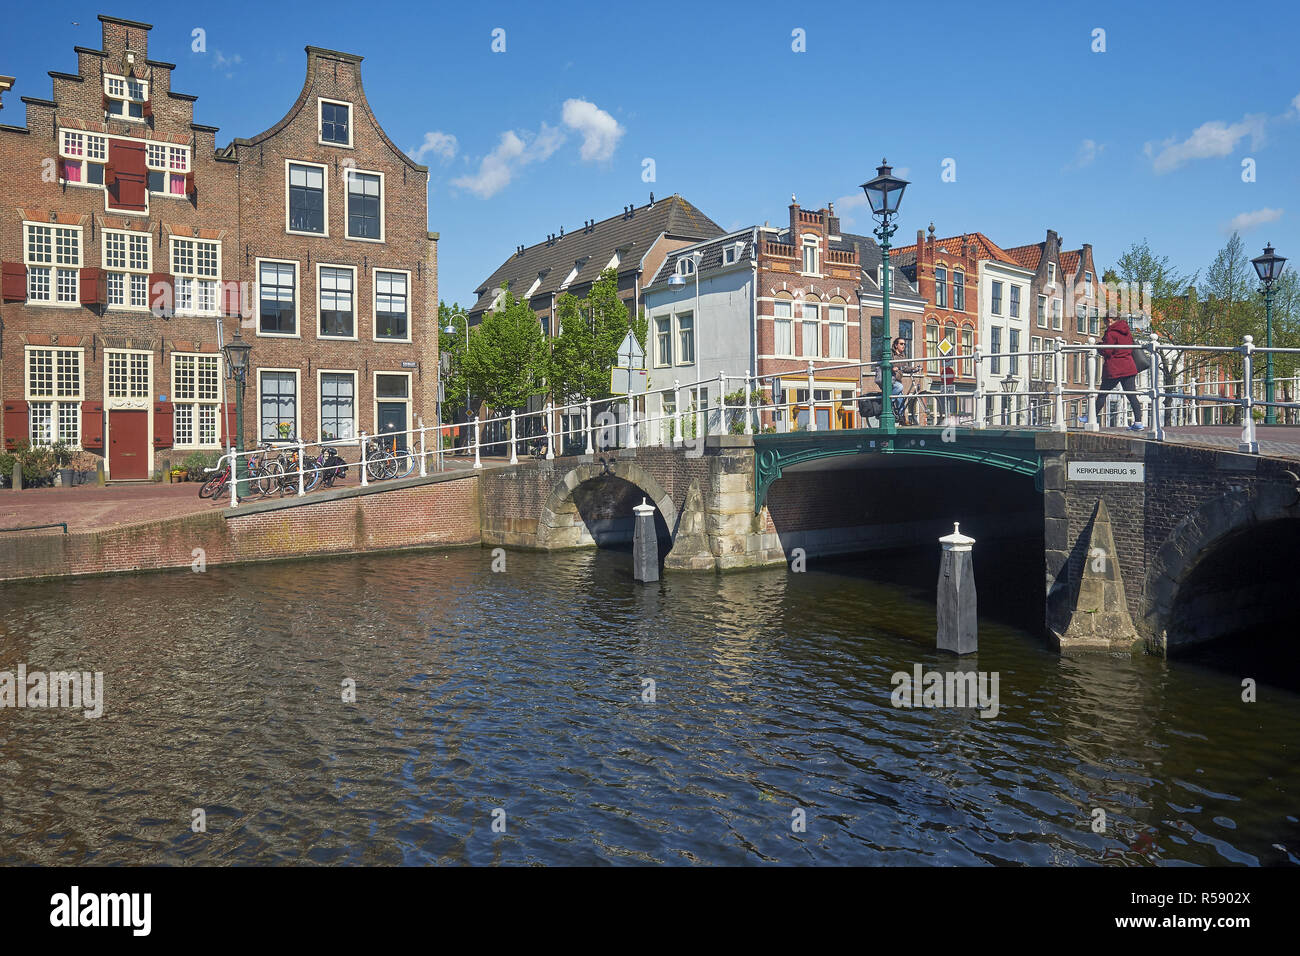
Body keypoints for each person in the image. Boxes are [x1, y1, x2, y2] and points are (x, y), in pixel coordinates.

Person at [1096, 314, 1144, 430]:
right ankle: (1138, 423)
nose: (1105, 324)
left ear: (1110, 320)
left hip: (1115, 368)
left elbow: (1107, 351)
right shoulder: (1127, 331)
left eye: (1105, 322)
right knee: (1132, 396)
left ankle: (1090, 417)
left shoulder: (1111, 333)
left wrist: (1098, 347)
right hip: (1128, 367)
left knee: (1102, 394)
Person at [875, 339, 920, 422]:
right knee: (900, 387)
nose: (903, 346)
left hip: (897, 380)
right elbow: (885, 363)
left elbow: (905, 368)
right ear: (896, 345)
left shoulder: (902, 356)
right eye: (901, 344)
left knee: (900, 397)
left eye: (904, 344)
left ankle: (901, 417)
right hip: (888, 380)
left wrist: (914, 369)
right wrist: (891, 368)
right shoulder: (890, 354)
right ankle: (886, 404)